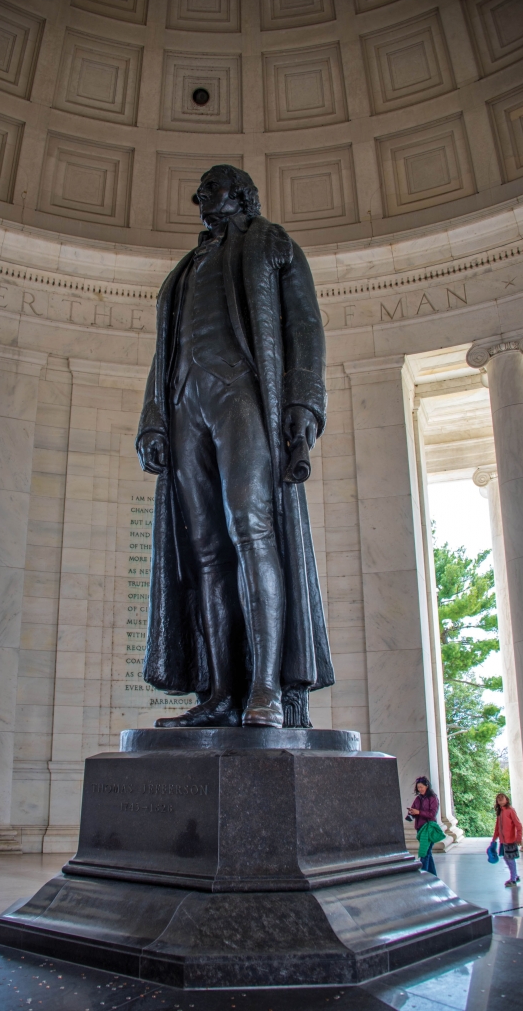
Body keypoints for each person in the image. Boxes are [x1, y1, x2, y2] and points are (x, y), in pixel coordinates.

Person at [136, 164, 333, 730]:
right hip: (184, 402)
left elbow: (305, 327)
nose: (201, 196)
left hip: (244, 392)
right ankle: (222, 693)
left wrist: (303, 403)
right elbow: (164, 351)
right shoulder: (183, 270)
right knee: (203, 551)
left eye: (213, 187)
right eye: (201, 190)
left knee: (252, 527)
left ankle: (266, 689)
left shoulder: (272, 244)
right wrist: (153, 418)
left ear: (242, 194)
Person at [408, 776, 440, 875]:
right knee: (427, 852)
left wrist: (419, 812)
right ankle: (432, 875)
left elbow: (432, 814)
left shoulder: (433, 798)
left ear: (427, 786)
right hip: (420, 828)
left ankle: (423, 875)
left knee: (424, 852)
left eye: (421, 787)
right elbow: (414, 810)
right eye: (418, 787)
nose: (420, 789)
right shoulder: (418, 799)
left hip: (429, 828)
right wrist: (411, 813)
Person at [492, 792, 523, 887]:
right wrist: (494, 839)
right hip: (503, 840)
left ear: (507, 799)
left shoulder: (510, 810)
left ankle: (513, 879)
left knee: (510, 859)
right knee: (506, 858)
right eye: (498, 798)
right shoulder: (500, 812)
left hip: (510, 840)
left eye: (502, 797)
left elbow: (518, 825)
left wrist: (519, 837)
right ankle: (515, 876)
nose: (500, 799)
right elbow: (497, 827)